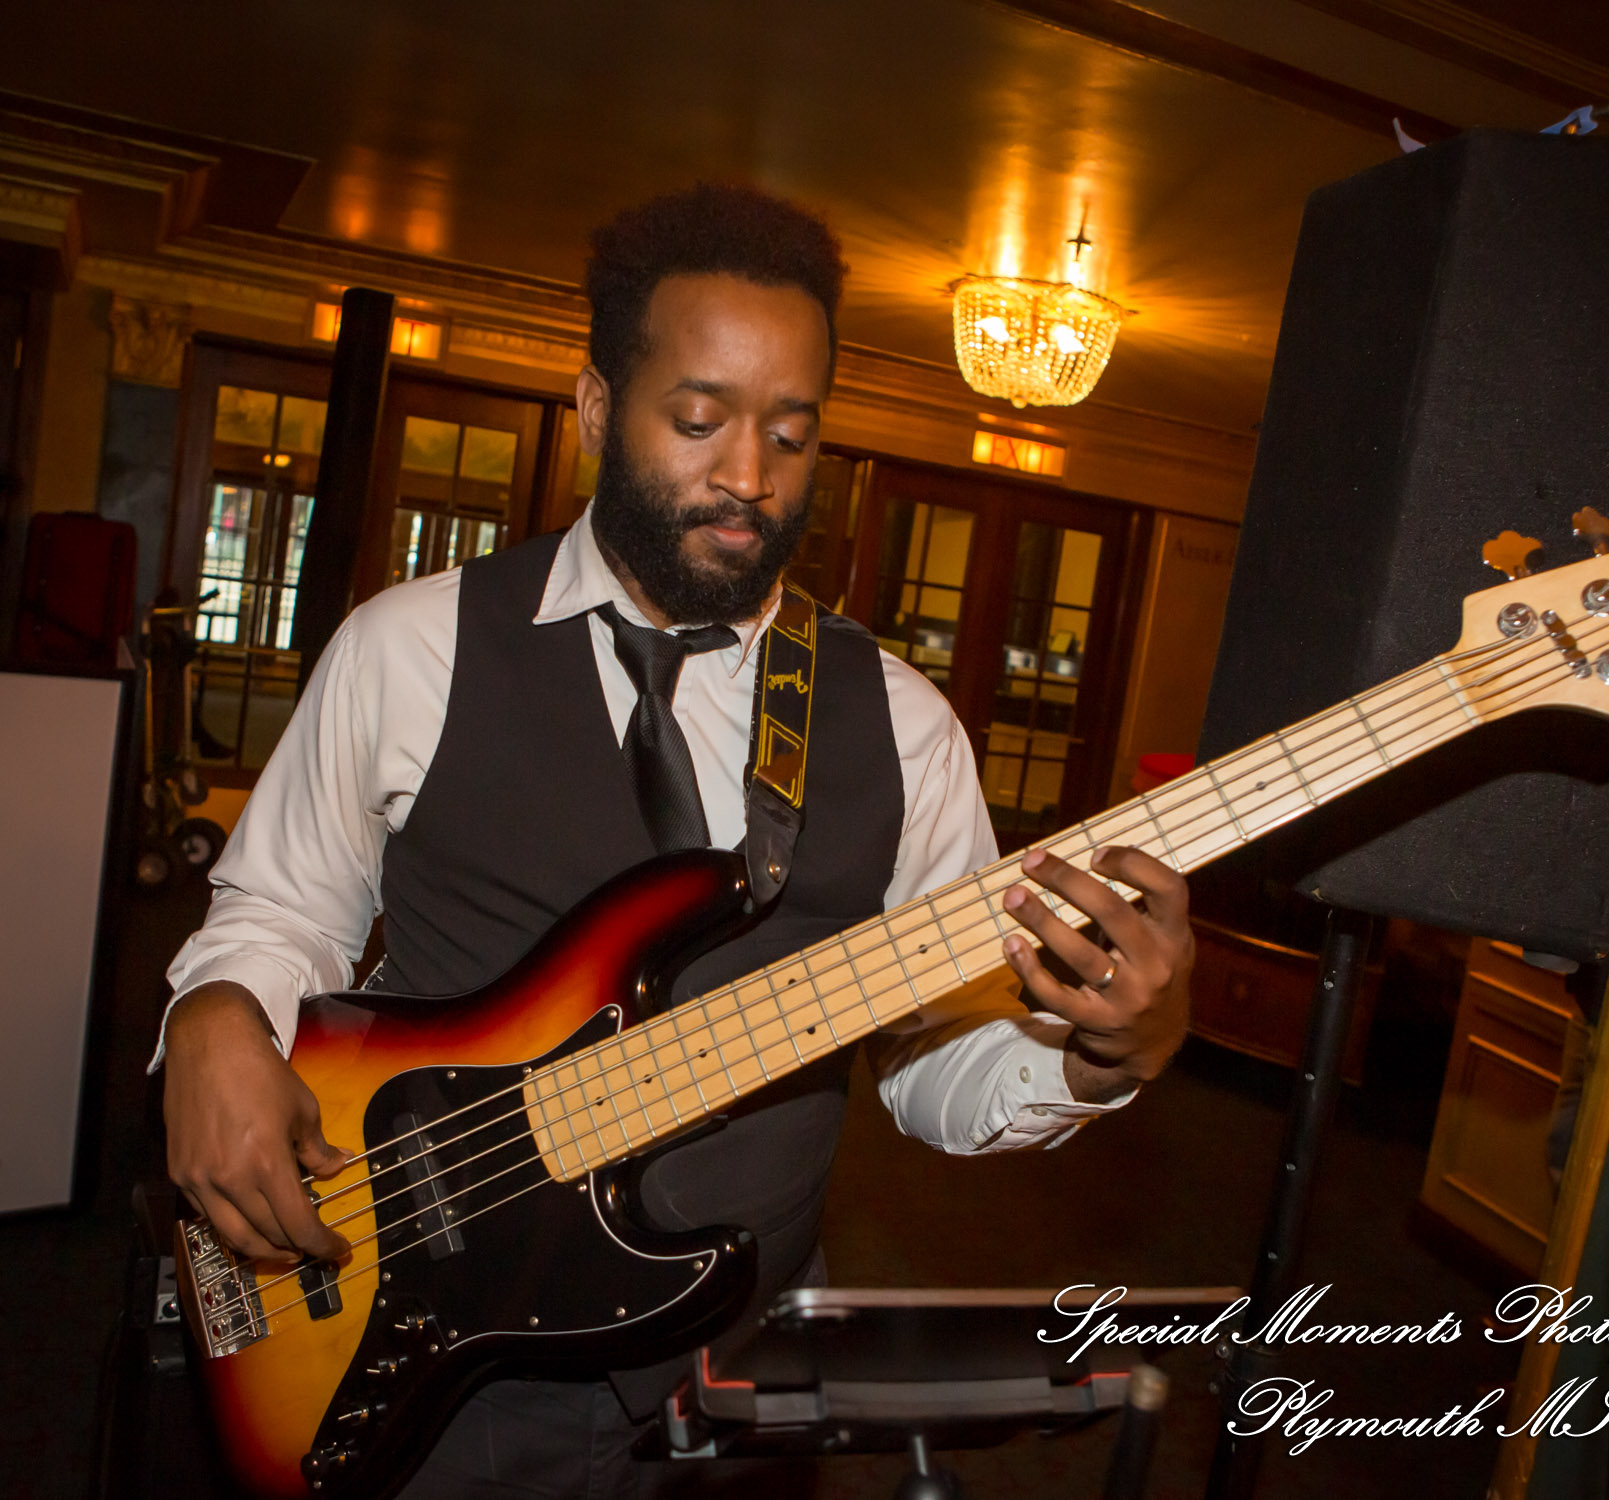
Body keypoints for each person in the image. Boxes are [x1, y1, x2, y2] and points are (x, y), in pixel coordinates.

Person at [156, 182, 1194, 1496]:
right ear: (597, 409)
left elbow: (930, 1064)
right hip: (443, 1349)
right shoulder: (409, 648)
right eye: (699, 421)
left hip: (740, 1384)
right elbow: (282, 911)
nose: (749, 477)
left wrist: (1099, 1055)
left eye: (792, 434)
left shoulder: (906, 728)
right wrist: (216, 1019)